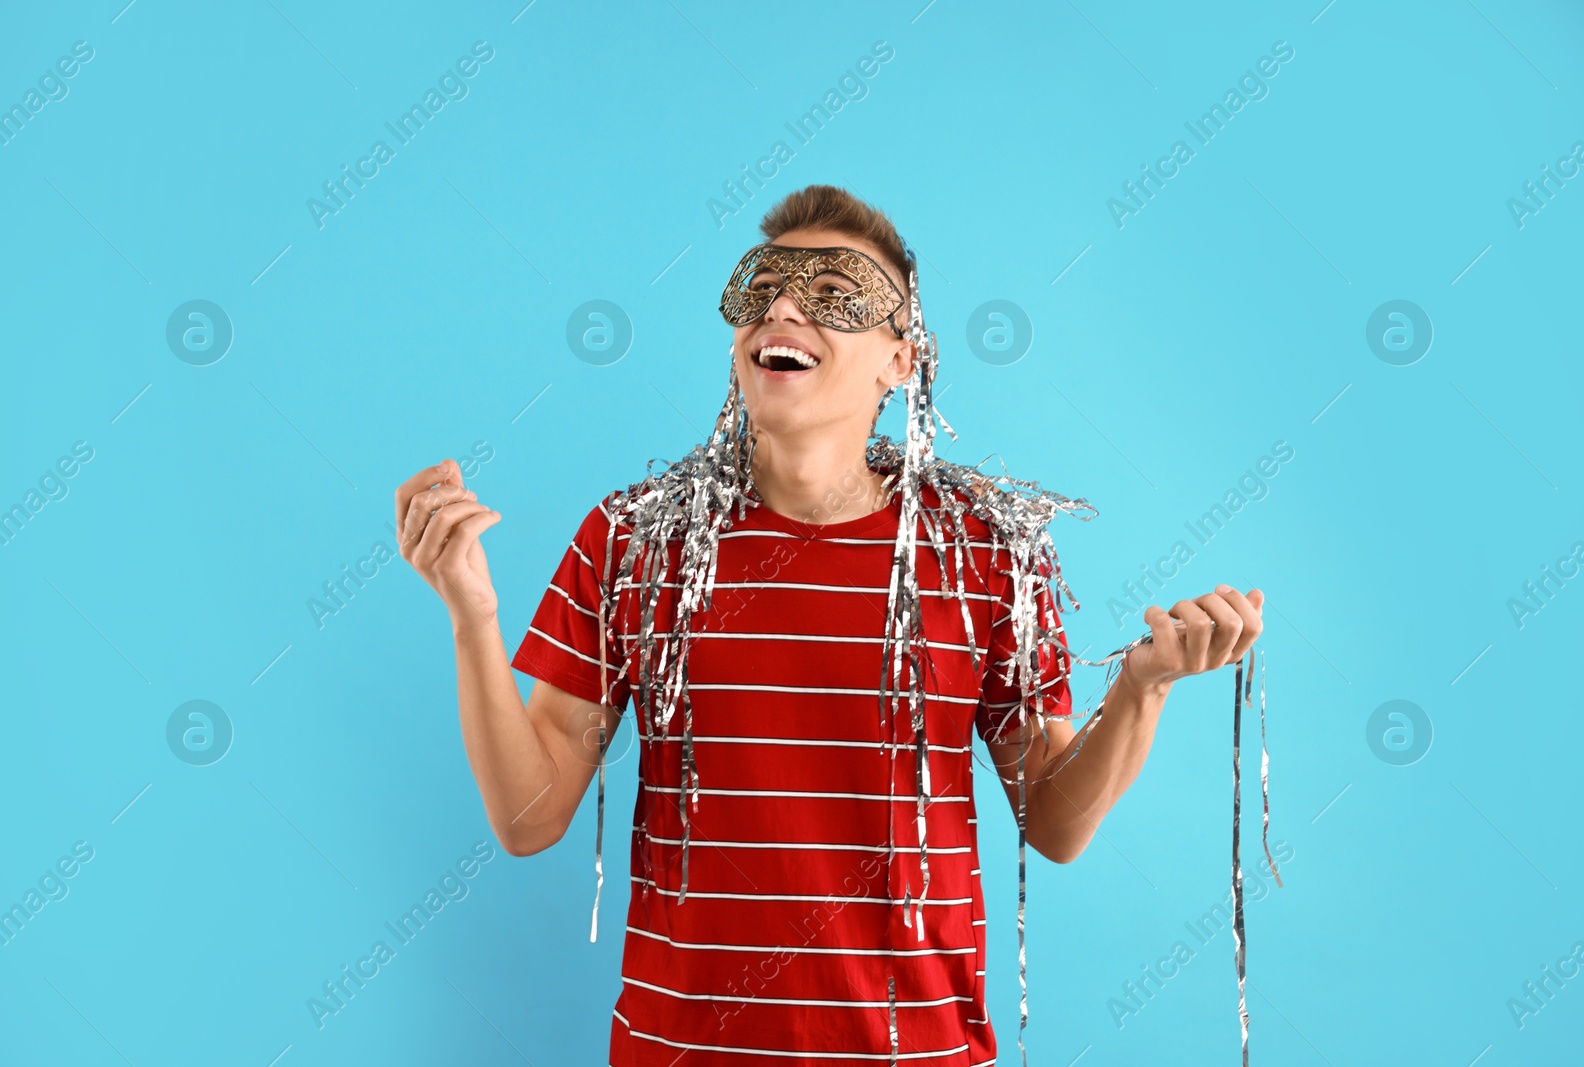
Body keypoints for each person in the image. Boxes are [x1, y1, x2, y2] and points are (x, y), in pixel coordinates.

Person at [395, 184, 1265, 1066]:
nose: (781, 305)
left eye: (835, 292)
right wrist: (474, 616)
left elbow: (1053, 819)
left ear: (903, 357)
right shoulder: (633, 540)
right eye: (762, 285)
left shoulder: (984, 553)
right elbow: (529, 817)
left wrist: (1142, 688)